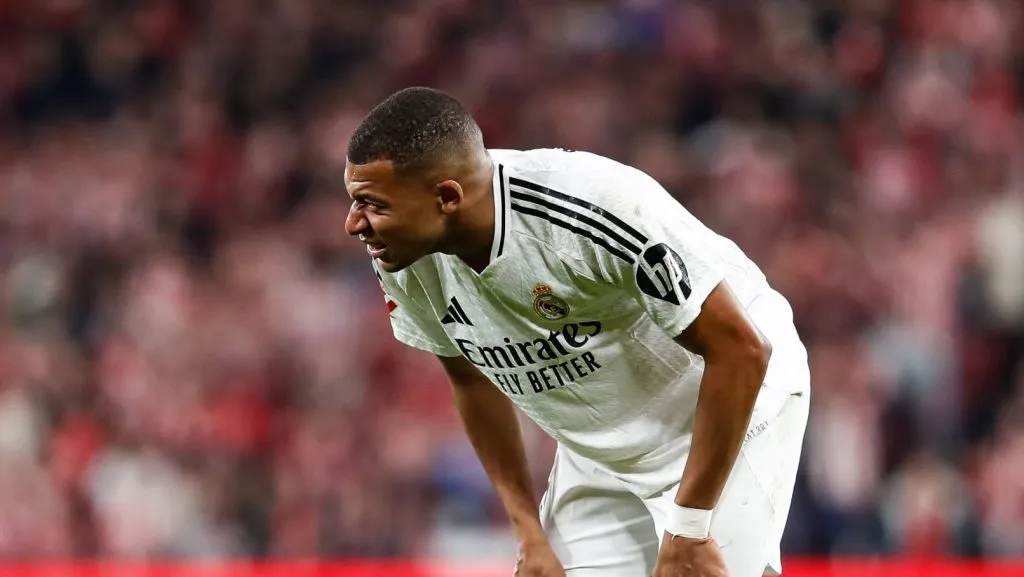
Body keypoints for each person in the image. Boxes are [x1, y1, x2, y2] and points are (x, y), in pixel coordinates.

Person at [343, 87, 811, 577]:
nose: (354, 223)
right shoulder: (402, 254)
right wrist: (528, 533)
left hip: (721, 412)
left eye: (371, 204)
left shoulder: (591, 209)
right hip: (603, 446)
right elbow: (470, 378)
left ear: (446, 198)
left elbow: (741, 350)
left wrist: (690, 526)